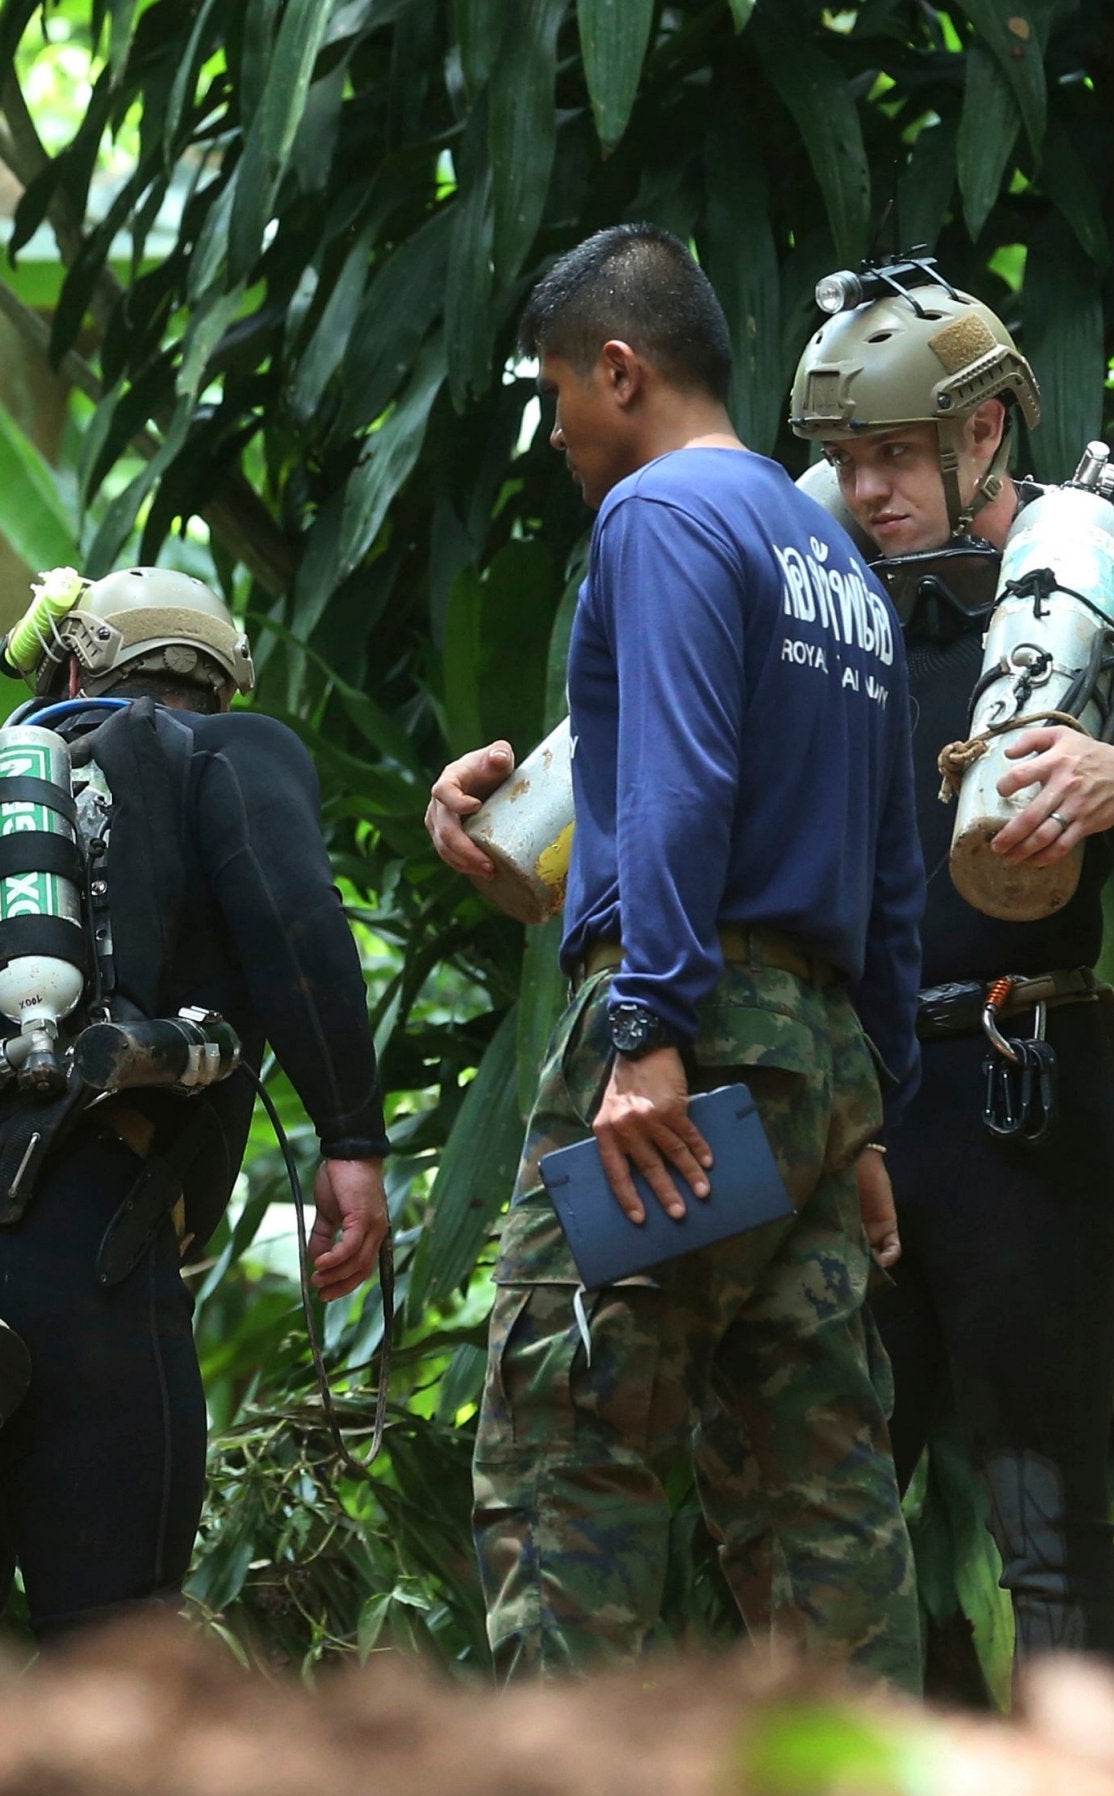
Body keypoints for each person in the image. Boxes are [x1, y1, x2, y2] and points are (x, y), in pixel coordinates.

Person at [425, 225, 925, 1685]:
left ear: (621, 368)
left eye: (559, 391)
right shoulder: (832, 552)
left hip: (687, 1035)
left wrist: (646, 1025)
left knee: (570, 1449)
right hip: (815, 1064)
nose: (561, 430)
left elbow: (688, 784)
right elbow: (890, 859)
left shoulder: (655, 516)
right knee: (815, 1485)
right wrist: (867, 1109)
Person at [0, 566, 391, 1641]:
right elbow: (294, 922)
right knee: (114, 1636)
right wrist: (350, 1138)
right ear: (222, 679)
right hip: (87, 1232)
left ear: (70, 664)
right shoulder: (232, 754)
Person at [788, 258, 1114, 1675]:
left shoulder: (1089, 587)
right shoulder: (828, 608)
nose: (869, 489)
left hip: (1024, 1095)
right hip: (850, 1104)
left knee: (1048, 1520)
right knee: (823, 1524)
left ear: (984, 433)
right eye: (847, 460)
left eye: (897, 453)